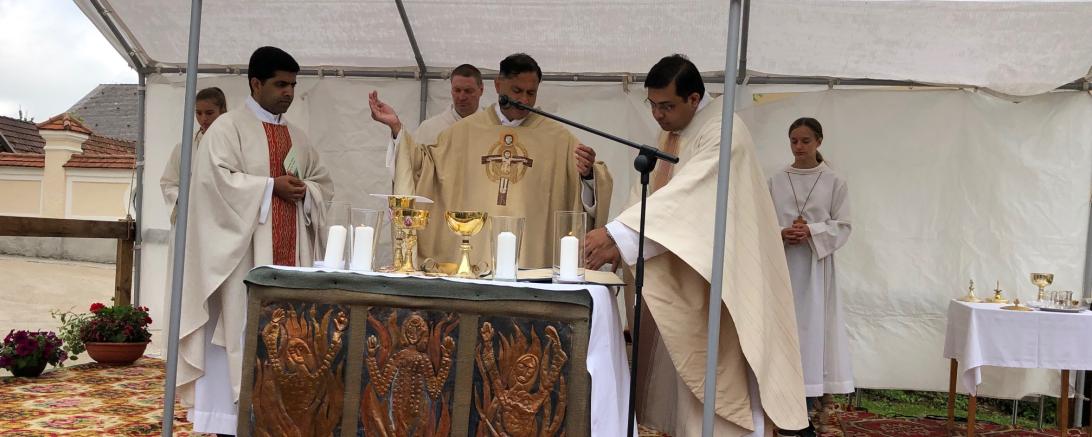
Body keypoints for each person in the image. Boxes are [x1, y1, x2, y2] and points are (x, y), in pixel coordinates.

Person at [583, 54, 808, 436]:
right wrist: (614, 232)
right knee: (688, 391)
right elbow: (657, 194)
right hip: (686, 273)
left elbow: (692, 200)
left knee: (723, 378)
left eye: (666, 105)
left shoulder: (725, 132)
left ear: (693, 98)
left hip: (720, 280)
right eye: (652, 105)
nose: (658, 115)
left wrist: (622, 235)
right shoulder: (676, 132)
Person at [175, 46, 334, 435]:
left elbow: (323, 185)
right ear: (256, 83)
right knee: (241, 336)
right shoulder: (226, 129)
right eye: (281, 84)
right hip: (242, 262)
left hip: (290, 260)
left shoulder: (298, 136)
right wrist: (268, 188)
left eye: (293, 85)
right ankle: (231, 422)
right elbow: (212, 185)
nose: (289, 93)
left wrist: (306, 191)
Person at [370, 53, 612, 269]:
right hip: (472, 256)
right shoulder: (464, 132)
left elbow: (586, 192)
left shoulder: (558, 138)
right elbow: (423, 167)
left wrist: (588, 174)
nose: (525, 100)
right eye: (517, 91)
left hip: (532, 261)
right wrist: (396, 128)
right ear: (498, 85)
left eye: (531, 93)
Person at [768, 117, 852, 432]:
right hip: (785, 266)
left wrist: (813, 231)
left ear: (818, 141)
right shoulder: (776, 180)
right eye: (793, 140)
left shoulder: (834, 181)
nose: (799, 147)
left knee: (812, 333)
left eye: (805, 141)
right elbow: (761, 219)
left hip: (816, 271)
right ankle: (781, 405)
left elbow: (844, 225)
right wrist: (781, 232)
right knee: (784, 330)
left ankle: (806, 407)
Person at [389, 63, 484, 194]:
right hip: (440, 203)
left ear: (481, 90)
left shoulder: (492, 129)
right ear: (451, 90)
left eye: (468, 91)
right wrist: (396, 127)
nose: (462, 97)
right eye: (457, 90)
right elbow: (410, 165)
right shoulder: (429, 129)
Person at [161, 86, 228, 221]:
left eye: (209, 113)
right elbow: (168, 183)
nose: (203, 119)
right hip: (190, 218)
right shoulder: (183, 148)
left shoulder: (233, 145)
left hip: (220, 220)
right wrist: (182, 198)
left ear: (222, 112)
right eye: (198, 113)